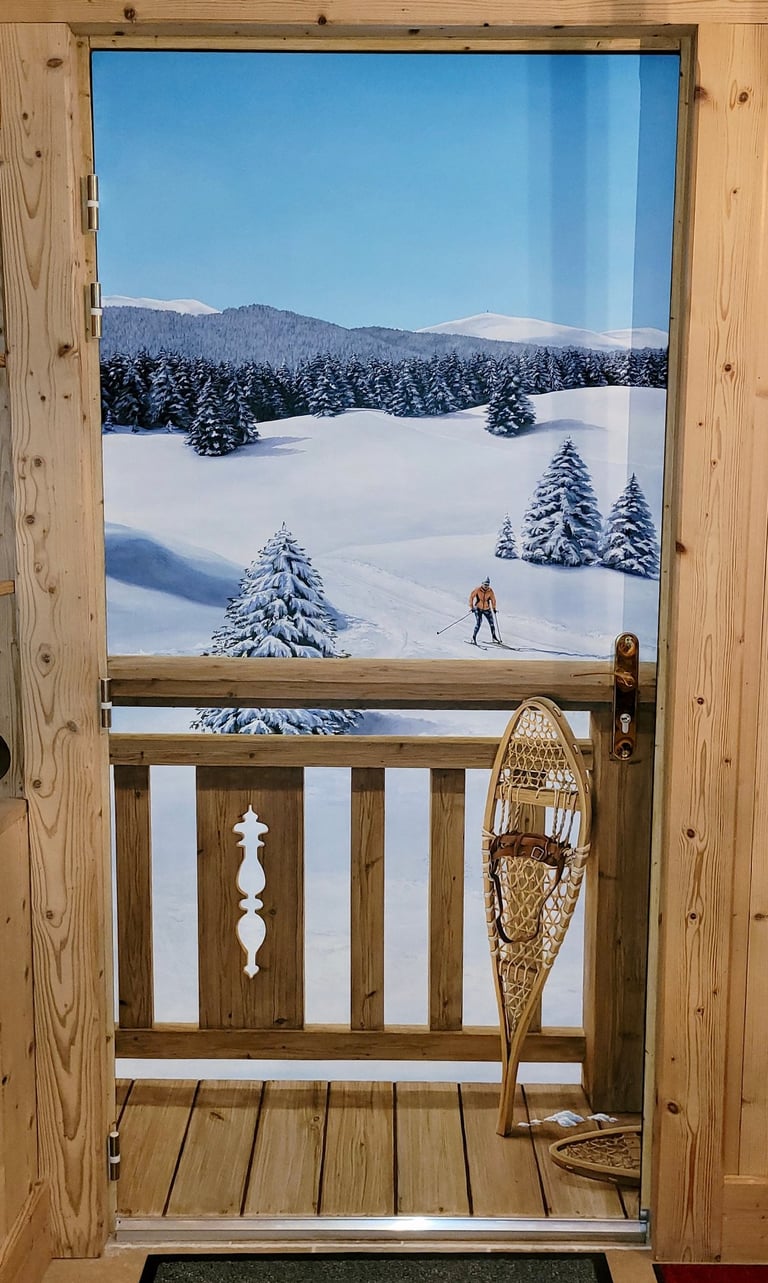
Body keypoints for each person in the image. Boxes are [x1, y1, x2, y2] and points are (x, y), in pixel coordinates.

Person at [469, 577, 499, 644]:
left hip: (486, 609)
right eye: (485, 584)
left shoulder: (490, 591)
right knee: (479, 623)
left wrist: (494, 608)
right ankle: (473, 638)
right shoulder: (478, 589)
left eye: (487, 585)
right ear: (482, 584)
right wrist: (472, 607)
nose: (486, 586)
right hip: (478, 609)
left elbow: (493, 600)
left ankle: (494, 637)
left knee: (491, 623)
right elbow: (471, 597)